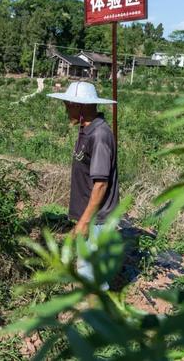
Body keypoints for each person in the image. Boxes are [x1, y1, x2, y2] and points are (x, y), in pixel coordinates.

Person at [47, 81, 119, 287]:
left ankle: (96, 316)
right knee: (86, 267)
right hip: (90, 215)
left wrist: (85, 221)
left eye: (68, 104)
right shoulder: (86, 130)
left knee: (91, 273)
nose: (65, 108)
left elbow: (100, 185)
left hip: (97, 219)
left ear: (81, 106)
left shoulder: (99, 135)